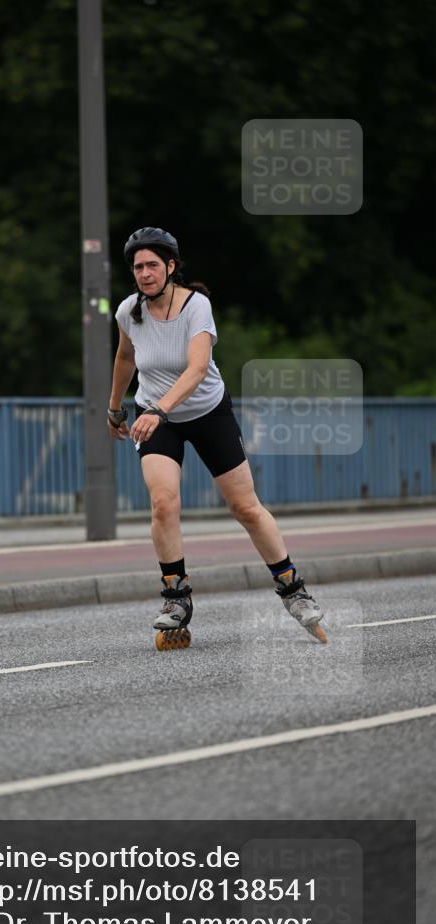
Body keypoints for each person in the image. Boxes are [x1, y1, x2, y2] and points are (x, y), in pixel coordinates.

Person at [107, 227, 325, 648]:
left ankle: (293, 589)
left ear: (171, 266)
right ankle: (176, 597)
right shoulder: (128, 311)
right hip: (157, 418)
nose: (145, 273)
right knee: (163, 502)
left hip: (206, 412)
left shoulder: (196, 306)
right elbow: (126, 356)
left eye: (152, 265)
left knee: (244, 506)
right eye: (137, 267)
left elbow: (196, 369)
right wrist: (115, 406)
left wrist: (158, 410)